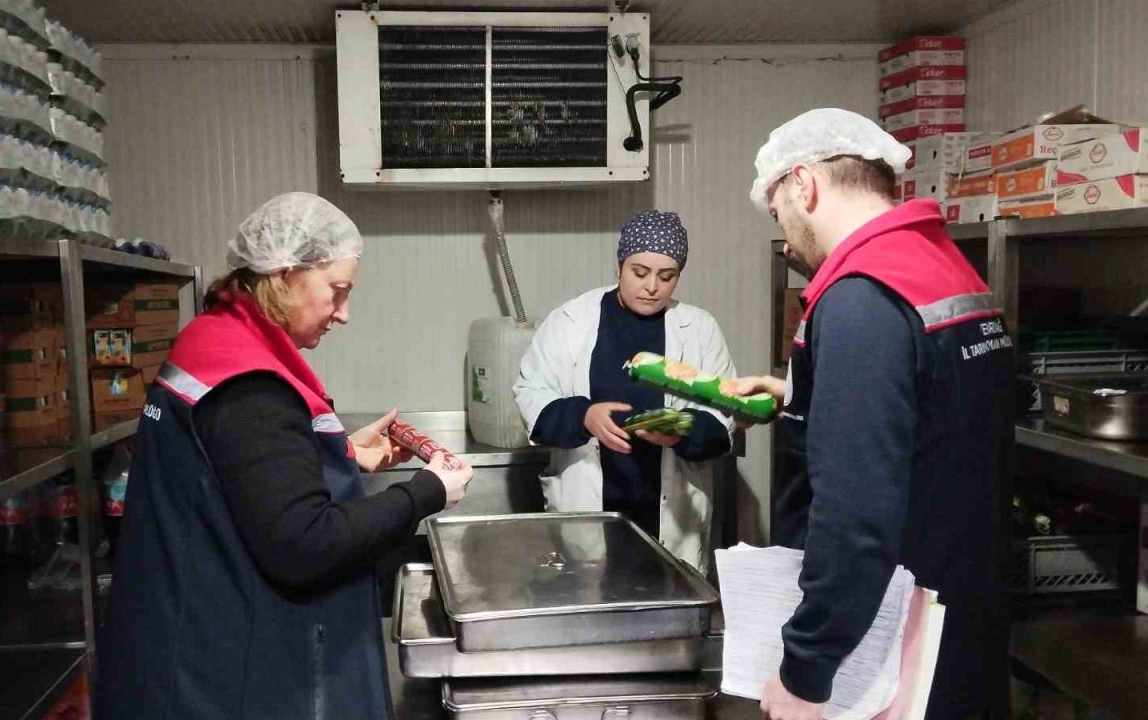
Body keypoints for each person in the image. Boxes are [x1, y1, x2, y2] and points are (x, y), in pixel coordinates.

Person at [96, 192, 474, 720]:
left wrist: (335, 453)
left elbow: (235, 470)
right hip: (231, 672)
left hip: (189, 635)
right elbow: (304, 543)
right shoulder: (251, 387)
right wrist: (427, 491)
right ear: (282, 274)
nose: (344, 314)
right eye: (336, 291)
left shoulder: (213, 340)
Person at [729, 109, 1013, 720]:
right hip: (964, 609)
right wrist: (800, 396)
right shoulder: (941, 266)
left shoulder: (861, 296)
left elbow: (854, 514)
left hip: (893, 638)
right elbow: (933, 418)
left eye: (780, 213)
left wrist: (806, 668)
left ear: (804, 184)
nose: (786, 239)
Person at [514, 210, 737, 571]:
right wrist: (583, 415)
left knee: (669, 611)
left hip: (670, 517)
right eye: (639, 272)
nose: (652, 287)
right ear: (618, 268)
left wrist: (681, 428)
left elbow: (723, 416)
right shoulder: (571, 321)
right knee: (589, 611)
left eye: (667, 277)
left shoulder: (698, 328)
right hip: (588, 510)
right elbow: (530, 392)